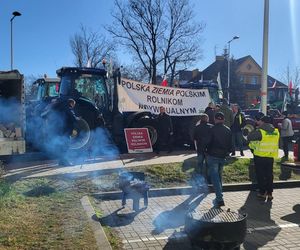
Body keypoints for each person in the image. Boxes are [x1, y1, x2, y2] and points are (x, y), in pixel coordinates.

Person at [247, 115, 279, 201]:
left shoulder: (260, 132)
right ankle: (270, 193)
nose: (259, 122)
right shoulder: (276, 131)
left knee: (261, 175)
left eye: (260, 121)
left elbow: (249, 137)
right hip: (270, 156)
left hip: (260, 157)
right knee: (269, 175)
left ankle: (262, 193)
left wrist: (256, 129)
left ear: (263, 122)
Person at [206, 112, 232, 208]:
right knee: (219, 176)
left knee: (215, 178)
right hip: (223, 156)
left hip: (213, 156)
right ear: (223, 119)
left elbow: (207, 142)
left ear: (215, 119)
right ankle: (219, 196)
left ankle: (219, 199)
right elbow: (231, 144)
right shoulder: (228, 129)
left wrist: (206, 151)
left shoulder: (212, 129)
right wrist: (228, 152)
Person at [193, 113, 213, 178]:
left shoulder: (197, 127)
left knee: (200, 164)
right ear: (207, 119)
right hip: (209, 149)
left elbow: (194, 138)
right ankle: (208, 178)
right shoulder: (211, 127)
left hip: (200, 148)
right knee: (209, 165)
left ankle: (199, 178)